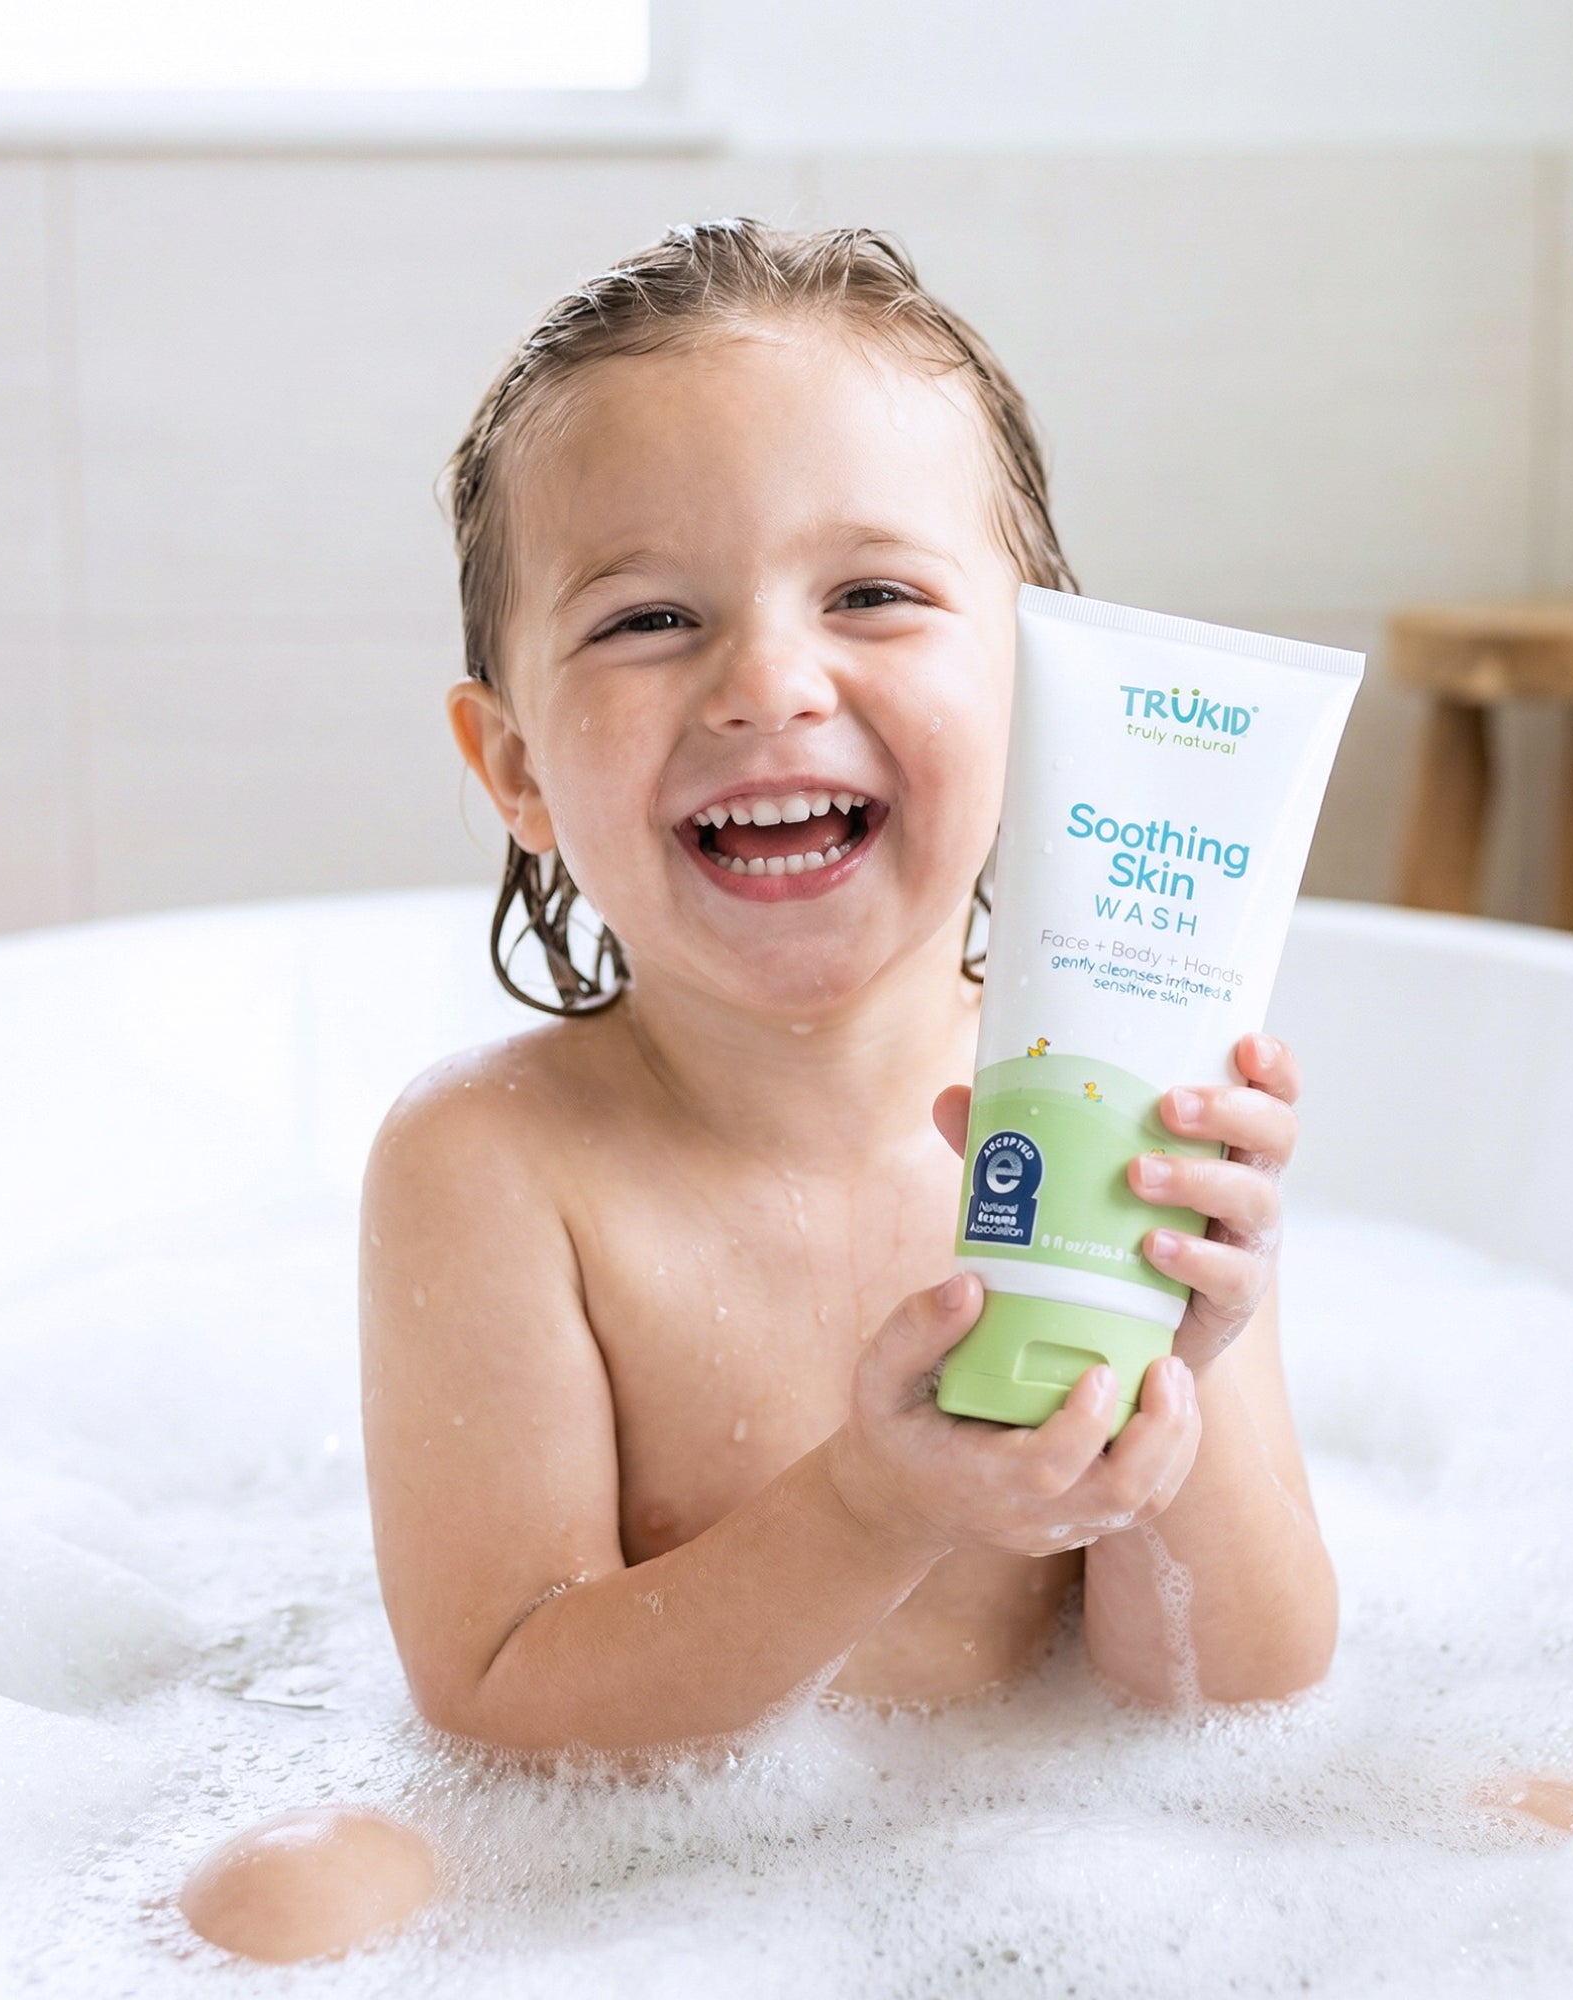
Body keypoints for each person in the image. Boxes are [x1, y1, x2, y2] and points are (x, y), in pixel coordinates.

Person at [359, 218, 1337, 1758]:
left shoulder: (1121, 1108)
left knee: (1546, 1816)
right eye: (649, 619)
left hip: (1049, 1864)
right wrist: (873, 1509)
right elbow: (501, 1700)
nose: (769, 685)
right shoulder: (494, 1167)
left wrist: (1181, 1371)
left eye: (873, 594)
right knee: (298, 1894)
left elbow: (1235, 1702)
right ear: (518, 766)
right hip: (643, 1892)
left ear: (1037, 691)